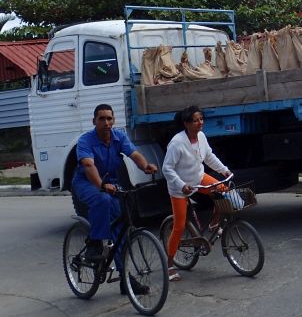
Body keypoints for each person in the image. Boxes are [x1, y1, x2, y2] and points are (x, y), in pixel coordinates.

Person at [72, 103, 158, 294]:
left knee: (121, 230)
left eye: (109, 118)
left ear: (114, 120)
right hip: (87, 183)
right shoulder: (86, 140)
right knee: (102, 200)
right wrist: (101, 186)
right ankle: (95, 242)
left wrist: (145, 166)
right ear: (94, 121)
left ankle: (125, 280)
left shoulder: (119, 136)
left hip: (110, 182)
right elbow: (88, 165)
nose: (106, 122)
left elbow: (134, 154)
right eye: (101, 119)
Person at [162, 105, 231, 281]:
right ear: (186, 124)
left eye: (201, 119)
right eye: (196, 120)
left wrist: (224, 170)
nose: (200, 123)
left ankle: (214, 224)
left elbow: (209, 156)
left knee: (224, 192)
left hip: (199, 178)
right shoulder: (177, 143)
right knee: (179, 226)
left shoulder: (201, 136)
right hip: (180, 186)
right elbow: (167, 169)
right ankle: (169, 265)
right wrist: (181, 184)